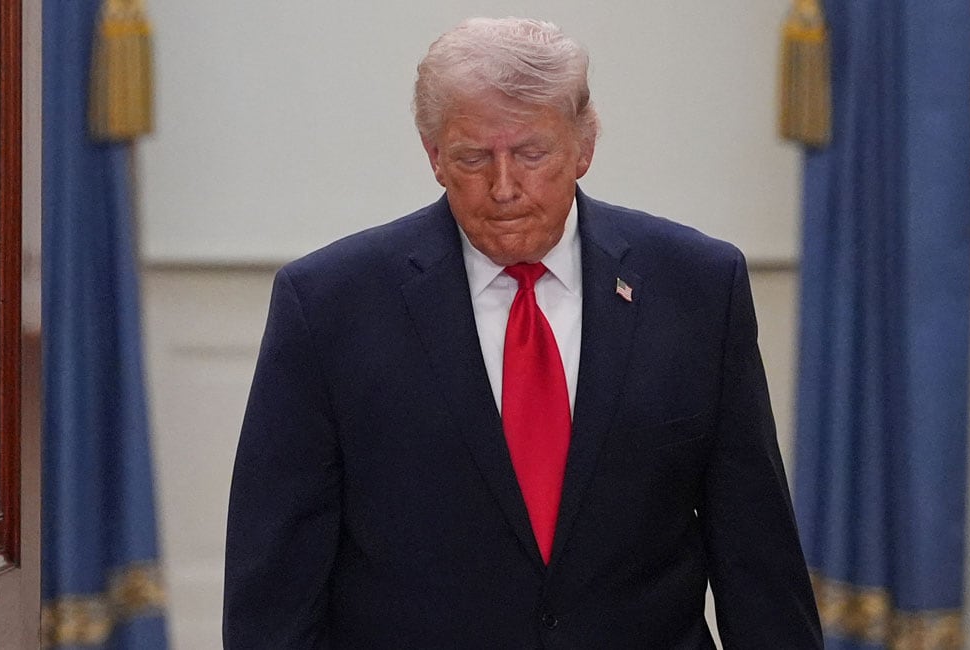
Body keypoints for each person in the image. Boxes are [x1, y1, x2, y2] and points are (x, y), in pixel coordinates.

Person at [224, 17, 822, 648]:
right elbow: (275, 585)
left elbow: (756, 555)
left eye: (532, 154)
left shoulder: (697, 287)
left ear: (584, 146)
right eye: (473, 158)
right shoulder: (330, 305)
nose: (504, 188)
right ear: (433, 156)